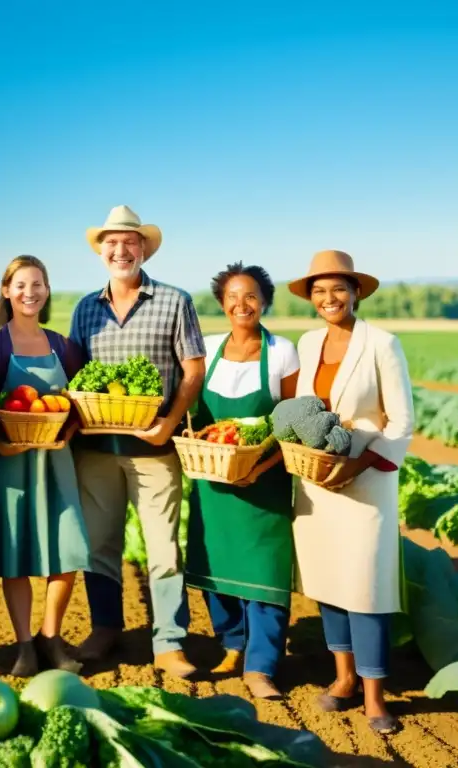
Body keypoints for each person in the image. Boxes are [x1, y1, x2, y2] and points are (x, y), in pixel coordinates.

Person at [68, 205, 206, 678]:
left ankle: (168, 642)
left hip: (154, 450)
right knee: (99, 546)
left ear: (143, 248)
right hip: (96, 451)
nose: (120, 250)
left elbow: (193, 369)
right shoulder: (86, 307)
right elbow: (74, 373)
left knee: (163, 549)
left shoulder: (174, 300)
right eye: (112, 243)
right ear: (101, 251)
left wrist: (168, 424)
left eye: (130, 242)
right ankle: (105, 628)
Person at [288, 249, 414, 734]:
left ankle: (375, 696)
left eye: (338, 289)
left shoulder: (382, 343)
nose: (328, 298)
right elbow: (304, 409)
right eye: (319, 291)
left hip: (366, 482)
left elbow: (402, 420)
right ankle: (342, 680)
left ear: (356, 292)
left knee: (367, 585)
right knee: (327, 581)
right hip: (317, 481)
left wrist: (359, 464)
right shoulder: (308, 342)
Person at [0, 255, 91, 677]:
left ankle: (50, 637)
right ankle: (24, 645)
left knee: (67, 552)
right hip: (7, 464)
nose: (30, 292)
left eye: (37, 284)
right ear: (6, 290)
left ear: (47, 290)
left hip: (54, 462)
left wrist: (68, 434)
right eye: (21, 285)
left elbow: (82, 401)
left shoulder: (63, 346)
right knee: (15, 555)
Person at [185, 262, 299, 700]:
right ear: (221, 303)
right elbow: (195, 414)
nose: (241, 304)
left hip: (263, 482)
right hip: (213, 479)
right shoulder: (208, 348)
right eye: (232, 296)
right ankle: (232, 644)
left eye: (250, 296)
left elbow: (289, 423)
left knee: (265, 571)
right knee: (218, 567)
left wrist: (259, 467)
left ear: (265, 301)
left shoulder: (283, 352)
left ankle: (262, 666)